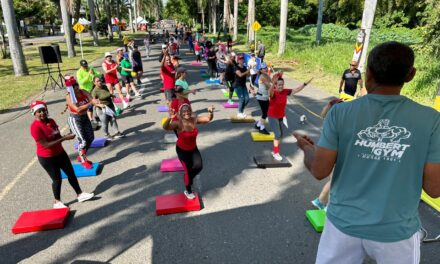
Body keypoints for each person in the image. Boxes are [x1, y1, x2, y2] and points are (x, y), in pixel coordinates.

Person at [294, 41, 440, 263]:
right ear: (411, 75)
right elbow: (434, 188)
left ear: (368, 72)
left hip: (343, 226)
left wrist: (306, 147)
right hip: (396, 231)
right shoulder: (431, 119)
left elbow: (320, 169)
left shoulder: (340, 113)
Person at [30, 101, 94, 209]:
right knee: (57, 179)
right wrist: (64, 138)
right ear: (34, 113)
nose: (42, 113)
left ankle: (80, 194)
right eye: (39, 111)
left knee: (71, 173)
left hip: (60, 153)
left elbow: (57, 136)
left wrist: (67, 135)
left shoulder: (51, 121)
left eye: (43, 110)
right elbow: (46, 145)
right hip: (47, 158)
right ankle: (57, 202)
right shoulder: (35, 127)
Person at [163, 103, 215, 199]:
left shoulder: (194, 119)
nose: (186, 112)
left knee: (199, 166)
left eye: (188, 110)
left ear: (190, 111)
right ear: (180, 113)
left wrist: (211, 113)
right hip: (182, 151)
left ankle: (188, 178)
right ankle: (188, 190)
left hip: (193, 149)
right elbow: (165, 127)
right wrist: (169, 118)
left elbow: (208, 119)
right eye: (184, 111)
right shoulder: (178, 123)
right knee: (187, 171)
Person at [310, 98, 343, 210]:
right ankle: (326, 205)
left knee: (334, 181)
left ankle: (320, 201)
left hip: (332, 153)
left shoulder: (331, 119)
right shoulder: (336, 122)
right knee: (335, 182)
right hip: (335, 155)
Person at [268, 75, 308, 161]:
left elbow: (296, 90)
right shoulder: (273, 92)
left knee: (280, 135)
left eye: (282, 84)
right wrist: (273, 84)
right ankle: (275, 152)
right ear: (275, 85)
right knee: (278, 134)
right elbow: (269, 93)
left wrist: (304, 84)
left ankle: (274, 151)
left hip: (281, 116)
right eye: (279, 84)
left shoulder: (285, 91)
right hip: (272, 116)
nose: (280, 86)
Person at [64, 75, 96, 169]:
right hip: (75, 119)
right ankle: (83, 161)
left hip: (85, 117)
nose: (76, 87)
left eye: (76, 84)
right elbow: (77, 109)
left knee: (90, 137)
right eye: (73, 86)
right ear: (70, 88)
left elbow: (93, 99)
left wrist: (98, 103)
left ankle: (81, 155)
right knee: (83, 141)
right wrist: (91, 103)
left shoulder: (83, 91)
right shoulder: (69, 96)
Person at [254, 63, 271, 135]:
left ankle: (258, 125)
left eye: (266, 68)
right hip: (261, 97)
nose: (265, 69)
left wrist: (278, 77)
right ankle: (262, 128)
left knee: (265, 112)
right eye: (263, 68)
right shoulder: (262, 77)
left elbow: (272, 82)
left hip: (265, 97)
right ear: (261, 70)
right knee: (265, 113)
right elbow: (269, 86)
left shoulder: (266, 75)